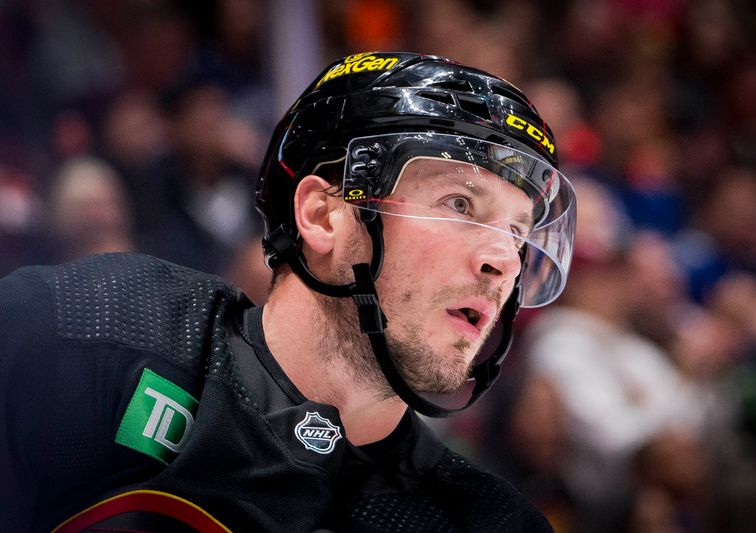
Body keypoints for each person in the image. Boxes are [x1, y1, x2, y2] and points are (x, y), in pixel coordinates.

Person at [0, 52, 576, 532]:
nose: (503, 261)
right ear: (323, 216)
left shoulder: (486, 523)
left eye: (518, 232)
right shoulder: (95, 328)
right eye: (460, 205)